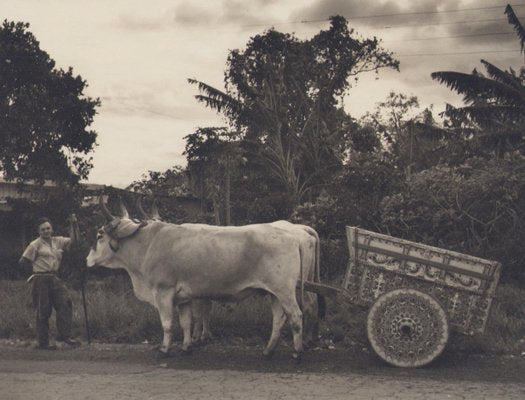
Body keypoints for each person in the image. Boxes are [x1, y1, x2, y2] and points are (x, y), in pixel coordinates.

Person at [19, 216, 81, 350]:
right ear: (39, 232)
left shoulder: (58, 241)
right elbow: (23, 261)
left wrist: (74, 225)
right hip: (41, 279)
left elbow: (74, 241)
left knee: (65, 303)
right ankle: (43, 342)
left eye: (48, 228)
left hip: (55, 278)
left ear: (51, 229)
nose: (46, 231)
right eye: (43, 230)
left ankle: (64, 336)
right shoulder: (35, 245)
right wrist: (35, 274)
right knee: (43, 310)